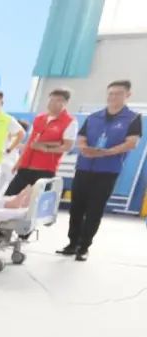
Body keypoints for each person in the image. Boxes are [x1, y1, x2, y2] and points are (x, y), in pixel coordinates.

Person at [58, 80, 142, 261]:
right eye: (110, 93)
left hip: (107, 171)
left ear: (127, 95)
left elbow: (132, 143)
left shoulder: (133, 118)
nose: (113, 97)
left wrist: (107, 152)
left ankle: (84, 247)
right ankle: (72, 243)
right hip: (84, 168)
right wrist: (84, 148)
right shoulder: (94, 117)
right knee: (76, 208)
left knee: (94, 209)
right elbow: (81, 137)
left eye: (118, 93)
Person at [4, 90, 76, 199]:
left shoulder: (70, 122)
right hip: (26, 166)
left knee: (39, 202)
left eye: (57, 100)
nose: (52, 103)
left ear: (65, 103)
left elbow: (68, 146)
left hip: (45, 170)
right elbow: (30, 142)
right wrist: (20, 161)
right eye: (51, 99)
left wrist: (46, 149)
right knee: (9, 197)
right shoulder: (39, 118)